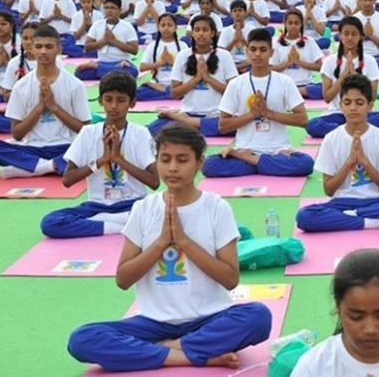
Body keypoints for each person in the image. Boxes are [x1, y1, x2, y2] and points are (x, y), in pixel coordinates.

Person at [67, 125, 272, 372]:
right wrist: (162, 242)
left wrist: (184, 241)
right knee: (82, 339)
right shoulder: (143, 209)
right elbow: (123, 279)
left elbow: (230, 279)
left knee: (258, 316)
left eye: (182, 160)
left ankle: (165, 348)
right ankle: (190, 353)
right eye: (165, 159)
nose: (172, 168)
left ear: (199, 163)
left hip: (209, 318)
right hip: (154, 323)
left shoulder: (217, 208)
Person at [296, 74, 379, 232]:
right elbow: (328, 190)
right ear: (341, 105)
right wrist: (349, 163)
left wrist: (365, 162)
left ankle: (352, 216)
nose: (353, 108)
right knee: (304, 217)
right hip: (342, 202)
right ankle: (374, 222)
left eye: (359, 103)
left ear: (370, 106)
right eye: (347, 103)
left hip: (376, 202)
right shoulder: (331, 138)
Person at [41, 72, 159, 238]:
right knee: (50, 222)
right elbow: (68, 180)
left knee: (164, 213)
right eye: (108, 99)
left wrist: (118, 159)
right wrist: (101, 160)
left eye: (121, 100)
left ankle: (109, 221)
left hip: (133, 204)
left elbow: (154, 182)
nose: (114, 106)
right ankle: (118, 225)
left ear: (132, 103)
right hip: (97, 206)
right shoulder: (88, 133)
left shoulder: (140, 133)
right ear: (100, 101)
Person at [201, 28, 314, 177]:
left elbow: (303, 120)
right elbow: (223, 126)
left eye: (263, 50)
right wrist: (253, 115)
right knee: (209, 165)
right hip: (246, 150)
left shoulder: (285, 82)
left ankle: (254, 162)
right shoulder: (236, 84)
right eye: (253, 49)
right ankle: (260, 163)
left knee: (306, 164)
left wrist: (269, 113)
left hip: (278, 151)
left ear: (271, 53)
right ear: (247, 52)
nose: (258, 54)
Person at [0, 25, 90, 179]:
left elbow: (85, 130)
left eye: (49, 47)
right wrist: (40, 107)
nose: (43, 51)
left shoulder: (75, 85)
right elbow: (17, 134)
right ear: (31, 49)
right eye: (38, 46)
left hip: (66, 147)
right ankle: (53, 166)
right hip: (32, 148)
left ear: (59, 49)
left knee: (97, 146)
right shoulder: (21, 86)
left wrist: (54, 107)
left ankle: (35, 167)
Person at [305, 16, 379, 138]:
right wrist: (343, 76)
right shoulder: (329, 62)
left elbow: (373, 96)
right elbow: (327, 97)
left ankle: (345, 131)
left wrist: (354, 75)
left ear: (360, 37)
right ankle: (356, 129)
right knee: (312, 125)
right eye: (346, 33)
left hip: (364, 114)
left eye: (354, 34)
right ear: (340, 36)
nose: (349, 38)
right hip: (339, 114)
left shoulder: (370, 61)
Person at [147, 14, 238, 137]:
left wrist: (208, 79)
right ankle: (194, 126)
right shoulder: (183, 55)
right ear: (192, 33)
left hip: (216, 115)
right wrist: (196, 79)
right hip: (189, 113)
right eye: (197, 30)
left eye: (205, 30)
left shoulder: (224, 55)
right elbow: (174, 93)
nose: (201, 34)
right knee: (152, 129)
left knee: (235, 125)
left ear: (212, 33)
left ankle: (186, 125)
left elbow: (234, 93)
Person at [76, 0, 139, 80]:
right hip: (103, 62)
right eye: (106, 8)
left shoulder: (127, 26)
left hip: (122, 63)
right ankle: (109, 72)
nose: (109, 11)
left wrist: (114, 41)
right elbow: (87, 47)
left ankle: (98, 68)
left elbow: (134, 50)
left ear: (120, 10)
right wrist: (104, 41)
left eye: (113, 8)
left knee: (133, 71)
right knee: (79, 73)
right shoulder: (97, 25)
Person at [269, 8, 324, 100]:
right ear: (285, 24)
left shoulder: (309, 41)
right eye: (290, 23)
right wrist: (288, 63)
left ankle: (294, 92)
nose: (293, 26)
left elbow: (320, 67)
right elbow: (270, 69)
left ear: (301, 24)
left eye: (296, 23)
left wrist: (298, 62)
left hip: (306, 85)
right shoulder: (276, 43)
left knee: (325, 88)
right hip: (284, 83)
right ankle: (291, 91)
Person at [137, 13, 189, 101]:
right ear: (158, 27)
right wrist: (161, 63)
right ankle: (169, 92)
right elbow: (142, 67)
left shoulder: (183, 46)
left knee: (192, 91)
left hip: (178, 85)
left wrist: (172, 63)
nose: (166, 28)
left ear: (176, 27)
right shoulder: (152, 46)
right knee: (135, 93)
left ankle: (167, 91)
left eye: (169, 25)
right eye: (163, 25)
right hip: (158, 84)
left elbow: (190, 68)